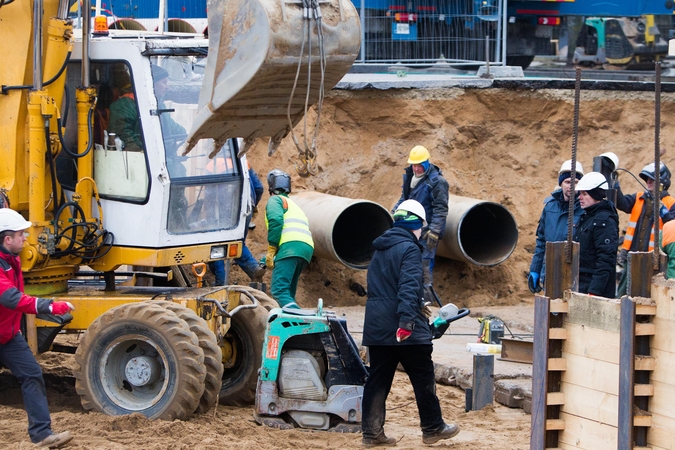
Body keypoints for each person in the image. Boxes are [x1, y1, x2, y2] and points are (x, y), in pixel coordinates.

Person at [361, 199, 460, 447]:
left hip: (377, 327)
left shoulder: (380, 249)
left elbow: (377, 288)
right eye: (421, 227)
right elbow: (408, 287)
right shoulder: (410, 249)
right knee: (423, 376)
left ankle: (372, 434)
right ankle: (433, 427)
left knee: (377, 380)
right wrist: (407, 322)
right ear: (415, 224)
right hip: (405, 327)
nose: (421, 232)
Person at [0, 209, 75, 448]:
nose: (25, 238)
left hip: (8, 337)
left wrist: (16, 327)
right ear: (7, 239)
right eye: (21, 234)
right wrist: (50, 306)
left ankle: (43, 435)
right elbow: (12, 299)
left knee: (32, 374)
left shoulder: (12, 260)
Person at [392, 145, 449, 301]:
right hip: (411, 228)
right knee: (408, 261)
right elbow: (405, 199)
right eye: (414, 165)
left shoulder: (437, 182)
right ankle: (409, 297)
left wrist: (435, 231)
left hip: (427, 231)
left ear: (426, 163)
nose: (416, 168)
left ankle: (425, 300)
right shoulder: (411, 177)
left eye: (419, 165)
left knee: (424, 264)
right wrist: (394, 213)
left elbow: (440, 209)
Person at [614, 162, 675, 297]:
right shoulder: (639, 197)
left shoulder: (671, 203)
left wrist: (664, 212)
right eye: (647, 179)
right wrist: (615, 185)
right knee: (624, 292)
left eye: (651, 179)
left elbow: (672, 228)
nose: (648, 182)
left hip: (653, 259)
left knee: (649, 294)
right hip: (632, 255)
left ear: (662, 182)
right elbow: (622, 203)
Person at [528, 160, 585, 293]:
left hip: (575, 275)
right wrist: (535, 270)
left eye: (575, 182)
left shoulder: (585, 209)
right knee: (551, 312)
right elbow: (541, 241)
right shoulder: (550, 207)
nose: (571, 186)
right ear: (561, 183)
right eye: (567, 182)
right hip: (551, 273)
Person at [262, 169, 314, 309]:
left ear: (271, 186)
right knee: (288, 293)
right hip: (304, 250)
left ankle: (302, 323)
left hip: (290, 248)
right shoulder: (293, 205)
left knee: (279, 290)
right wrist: (266, 259)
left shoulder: (275, 200)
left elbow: (276, 221)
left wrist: (272, 248)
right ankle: (291, 327)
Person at [209, 162, 266, 285]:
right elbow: (259, 187)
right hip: (246, 207)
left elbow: (209, 194)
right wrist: (253, 204)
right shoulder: (243, 161)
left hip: (226, 208)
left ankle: (220, 282)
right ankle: (254, 269)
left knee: (217, 243)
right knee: (237, 242)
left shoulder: (212, 165)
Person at [573, 172, 619, 298]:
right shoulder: (587, 217)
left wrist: (594, 291)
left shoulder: (604, 221)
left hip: (592, 290)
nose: (579, 197)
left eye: (585, 194)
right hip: (582, 285)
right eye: (580, 193)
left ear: (596, 195)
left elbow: (606, 259)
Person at [108, 66, 144, 152]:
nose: (167, 87)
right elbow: (124, 134)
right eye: (164, 83)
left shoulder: (140, 103)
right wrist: (141, 150)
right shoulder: (123, 105)